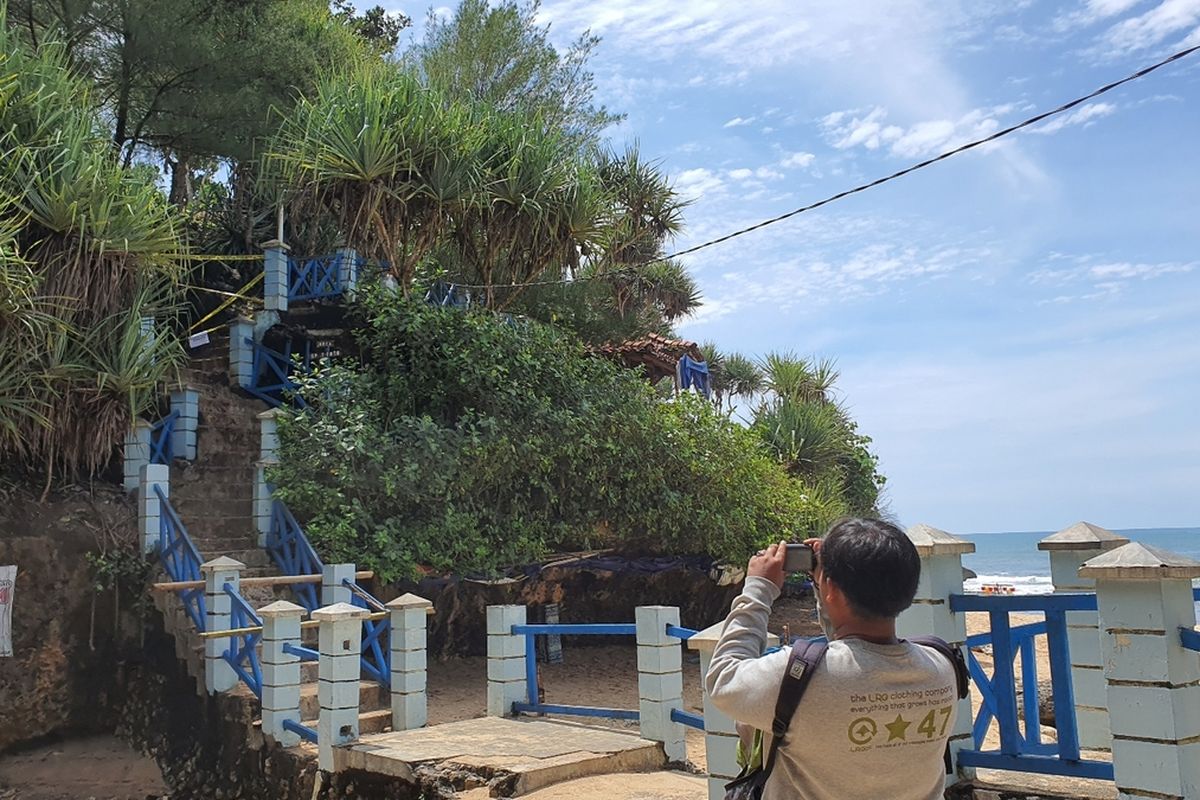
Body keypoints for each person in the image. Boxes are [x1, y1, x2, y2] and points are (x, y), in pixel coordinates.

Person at [705, 518, 958, 800]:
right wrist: (826, 586)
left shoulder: (794, 676)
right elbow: (851, 654)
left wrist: (758, 589)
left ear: (833, 590)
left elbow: (723, 678)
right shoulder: (942, 667)